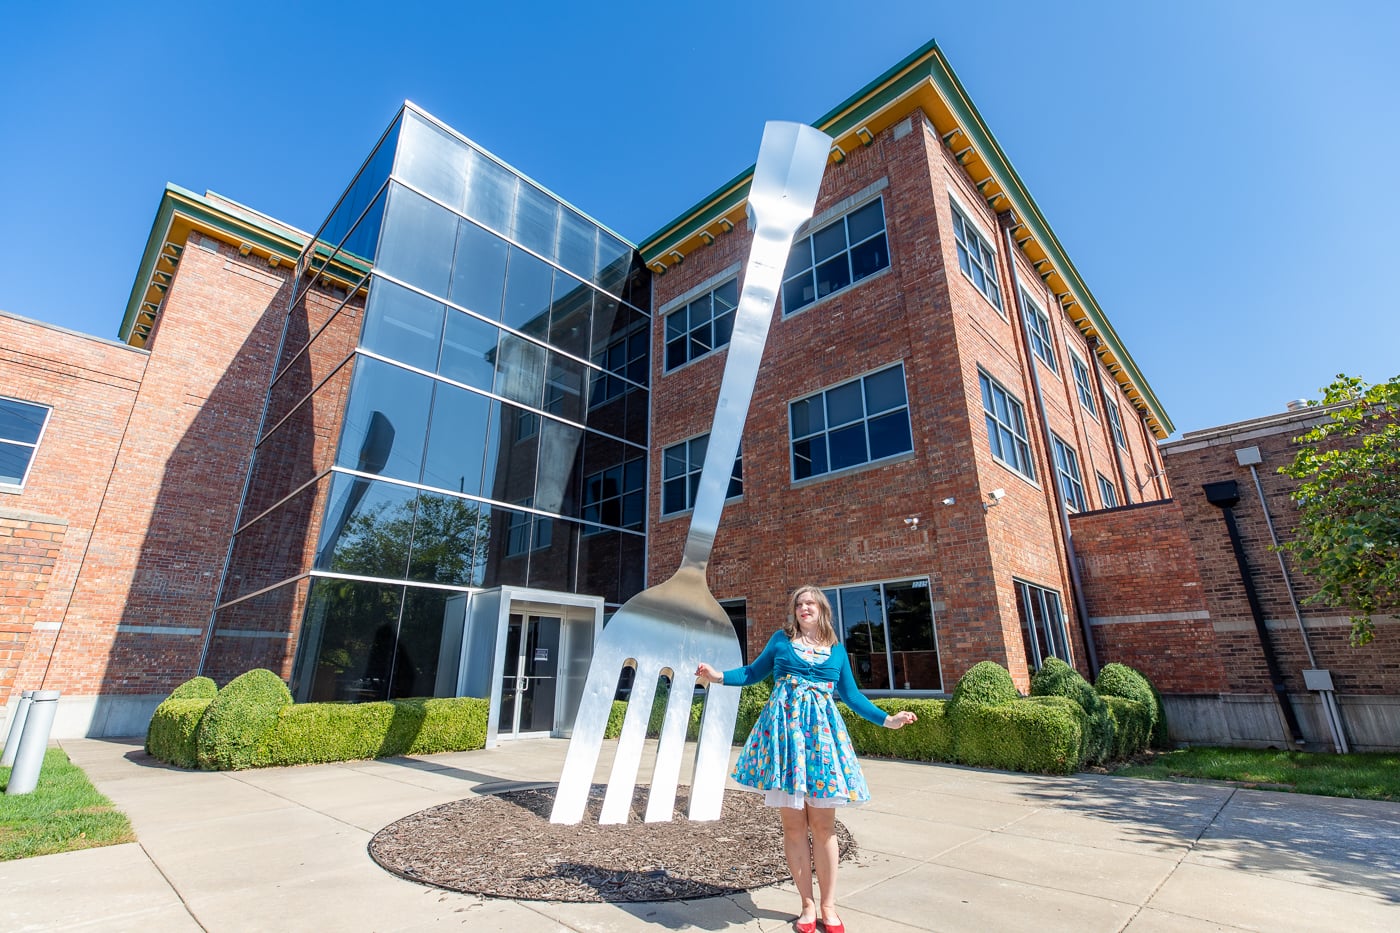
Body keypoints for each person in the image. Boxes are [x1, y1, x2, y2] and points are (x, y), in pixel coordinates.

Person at [697, 585, 918, 933]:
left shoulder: (837, 651)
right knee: (793, 826)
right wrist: (718, 676)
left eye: (810, 603)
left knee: (824, 826)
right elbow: (753, 673)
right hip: (785, 740)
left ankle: (829, 906)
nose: (804, 607)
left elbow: (852, 696)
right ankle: (807, 905)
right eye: (799, 603)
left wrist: (888, 719)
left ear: (822, 610)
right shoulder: (781, 641)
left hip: (821, 743)